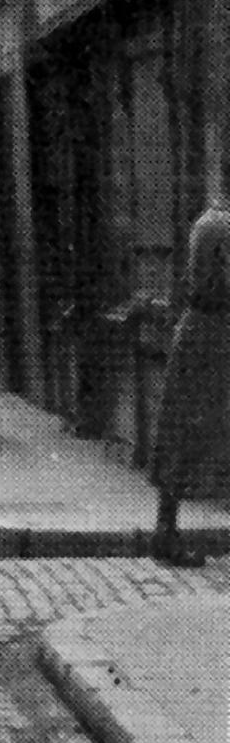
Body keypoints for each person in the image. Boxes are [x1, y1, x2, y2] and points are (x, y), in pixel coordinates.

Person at [146, 203, 230, 567]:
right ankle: (165, 533)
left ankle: (165, 530)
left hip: (204, 333)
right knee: (193, 431)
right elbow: (216, 285)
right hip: (210, 338)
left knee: (188, 430)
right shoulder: (219, 226)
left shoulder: (209, 222)